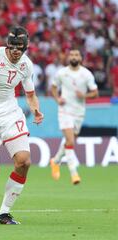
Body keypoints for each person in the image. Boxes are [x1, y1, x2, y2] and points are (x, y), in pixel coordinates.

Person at [0, 26, 44, 224]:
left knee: (24, 161)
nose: (14, 51)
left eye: (19, 48)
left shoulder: (26, 66)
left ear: (25, 48)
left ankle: (4, 212)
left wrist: (36, 109)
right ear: (7, 45)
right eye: (11, 47)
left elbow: (30, 94)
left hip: (10, 114)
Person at [50, 49, 98, 184]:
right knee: (70, 141)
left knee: (70, 141)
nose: (74, 57)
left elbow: (95, 93)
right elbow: (53, 88)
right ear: (68, 57)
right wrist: (57, 99)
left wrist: (84, 96)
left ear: (81, 58)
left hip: (79, 112)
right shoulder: (62, 73)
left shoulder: (86, 74)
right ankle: (74, 173)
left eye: (76, 55)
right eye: (71, 55)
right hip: (65, 110)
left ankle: (56, 160)